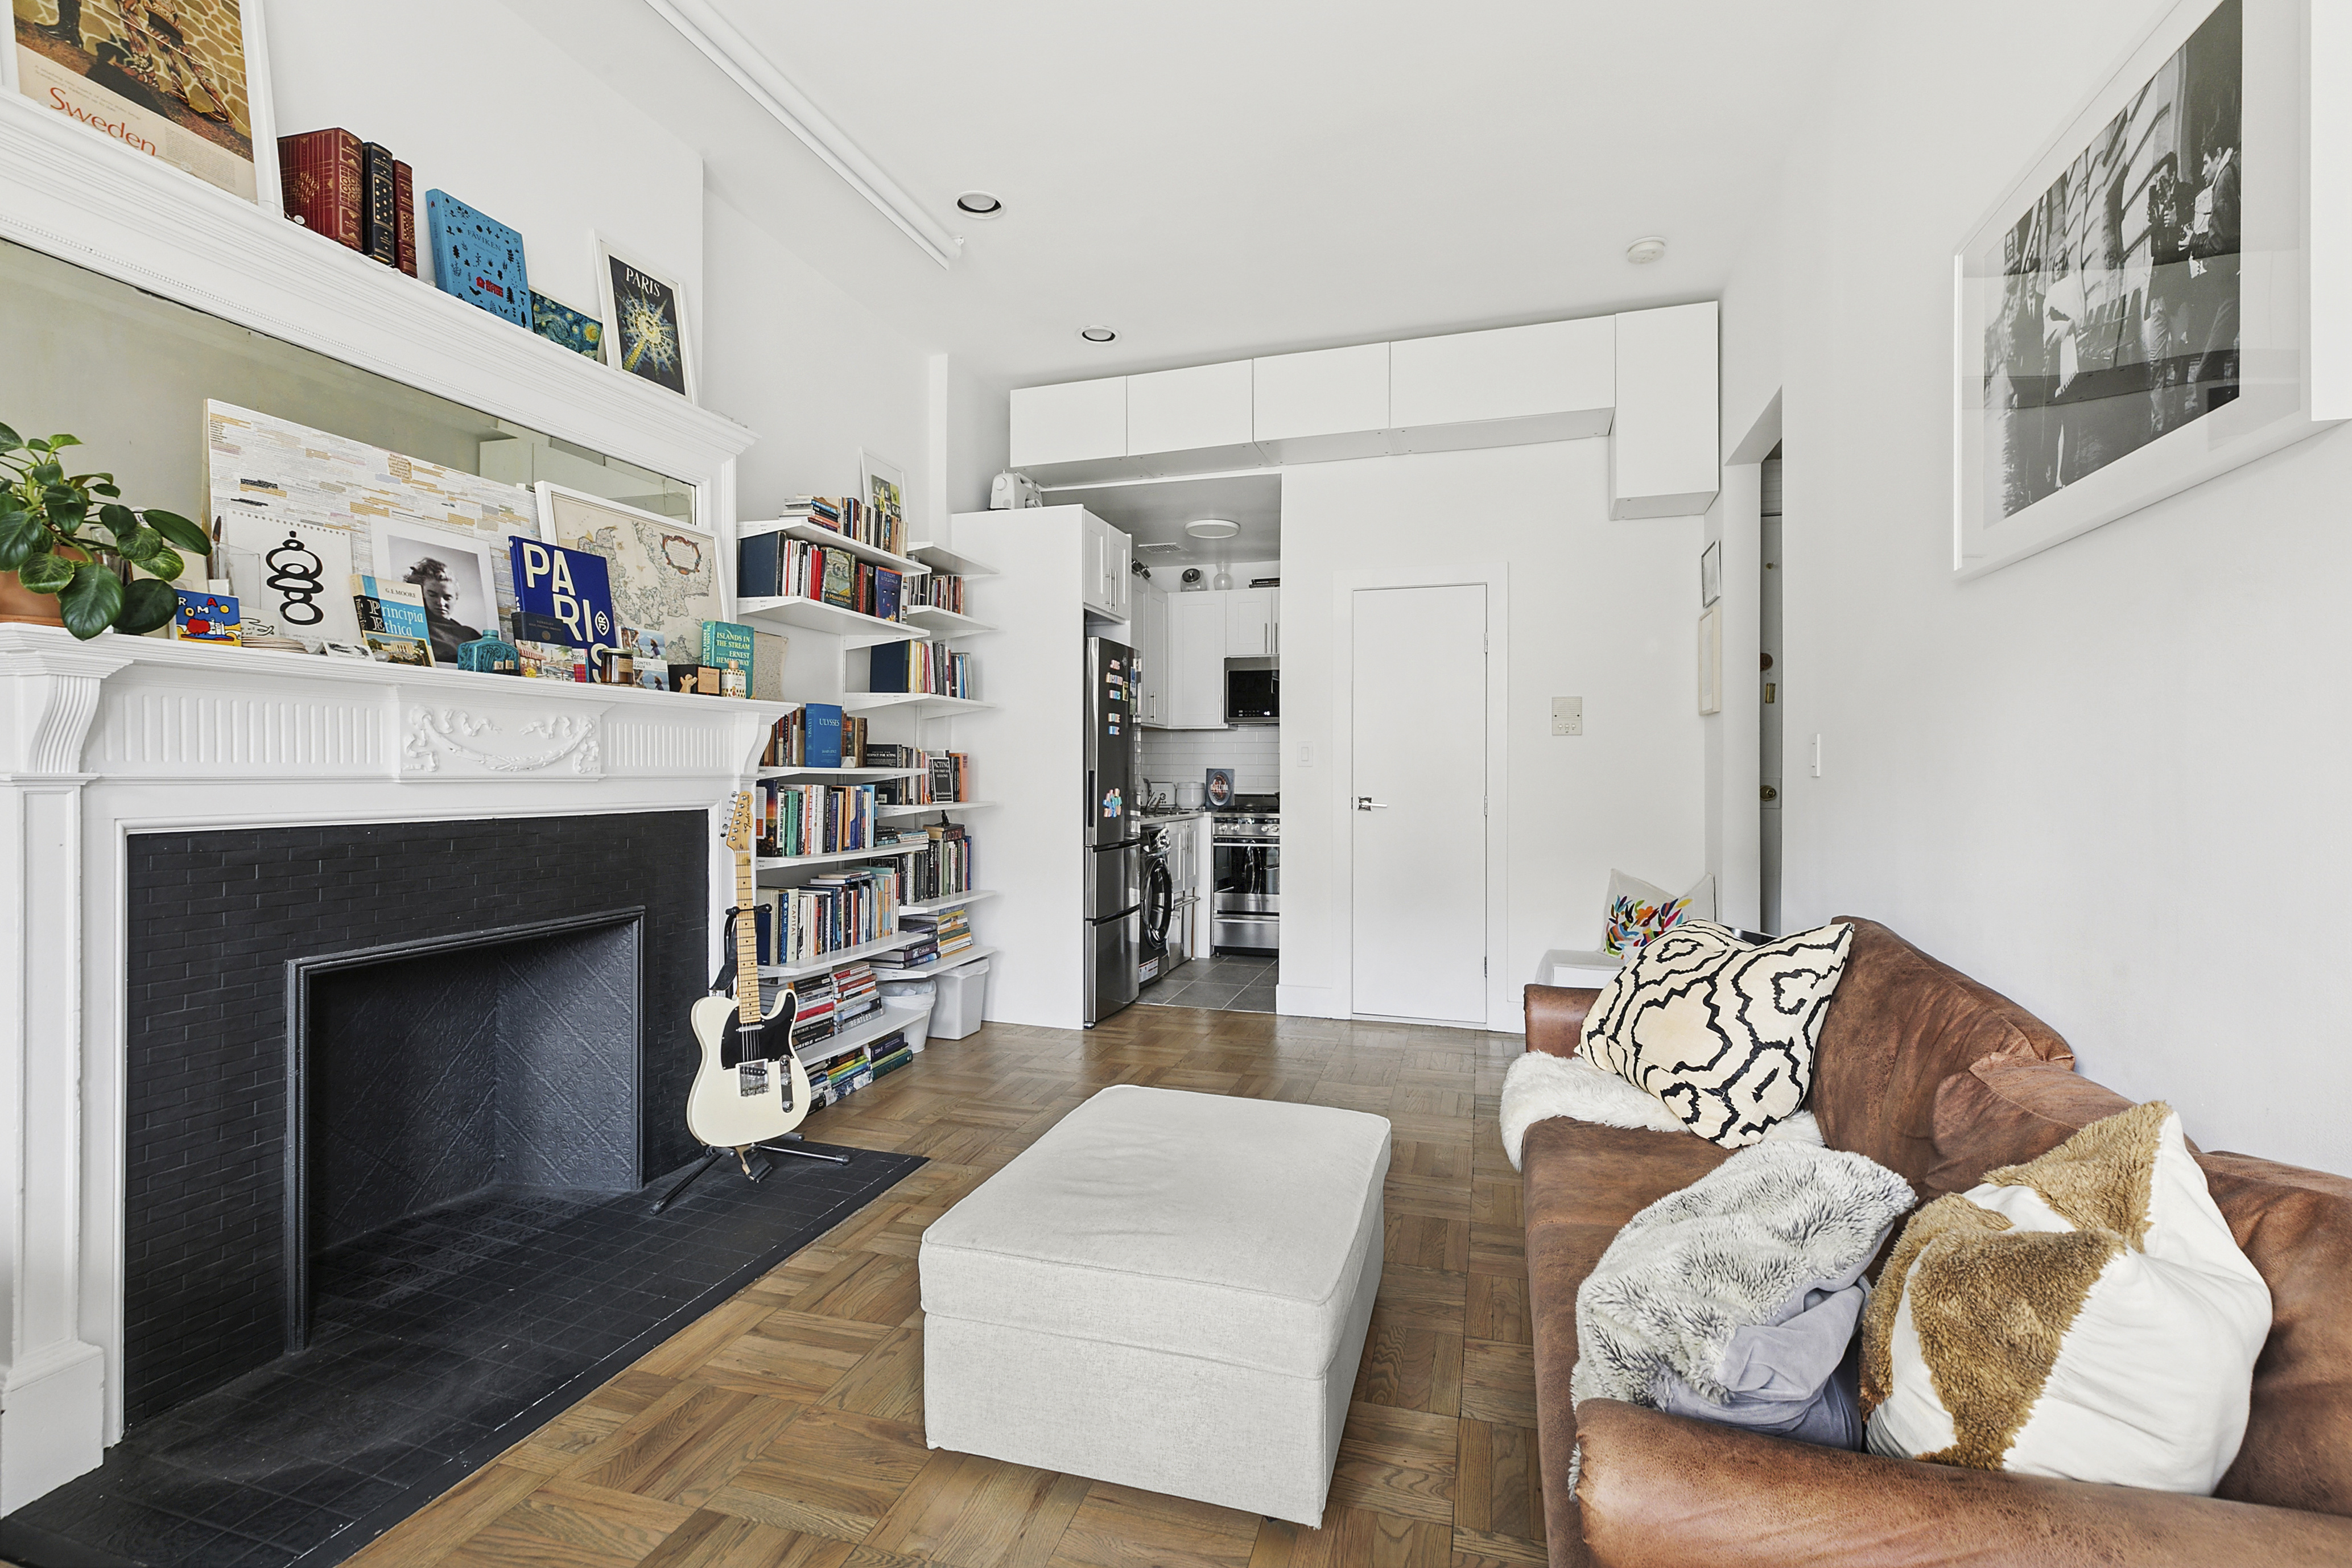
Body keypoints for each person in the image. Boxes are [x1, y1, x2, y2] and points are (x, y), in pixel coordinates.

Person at [403, 557, 484, 663]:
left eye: (447, 597)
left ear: (456, 598)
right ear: (421, 594)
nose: (441, 603)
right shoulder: (408, 627)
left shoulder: (471, 636)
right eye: (432, 595)